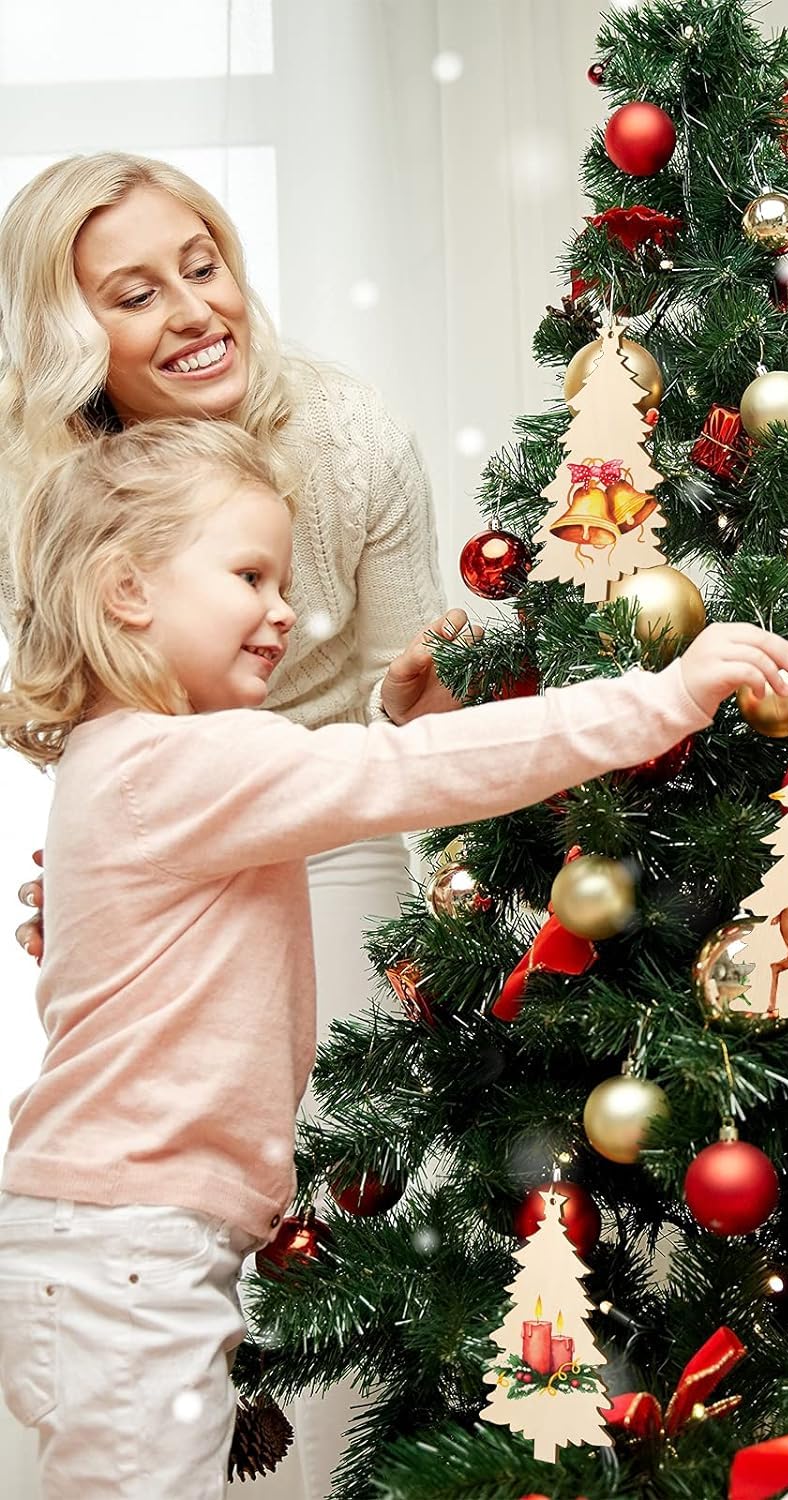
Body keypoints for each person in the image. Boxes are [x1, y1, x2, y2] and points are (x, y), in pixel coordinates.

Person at [0, 416, 788, 1499]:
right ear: (128, 592)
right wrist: (659, 700)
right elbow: (411, 769)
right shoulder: (182, 762)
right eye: (248, 574)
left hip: (117, 1241)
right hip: (125, 1250)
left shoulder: (125, 769)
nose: (284, 608)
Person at [0, 152, 462, 1495]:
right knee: (170, 1225)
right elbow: (64, 719)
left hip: (337, 815)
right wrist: (102, 872)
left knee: (360, 1213)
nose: (195, 310)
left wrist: (423, 713)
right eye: (136, 294)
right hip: (174, 853)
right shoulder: (41, 479)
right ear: (72, 335)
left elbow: (407, 713)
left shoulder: (346, 432)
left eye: (203, 265)